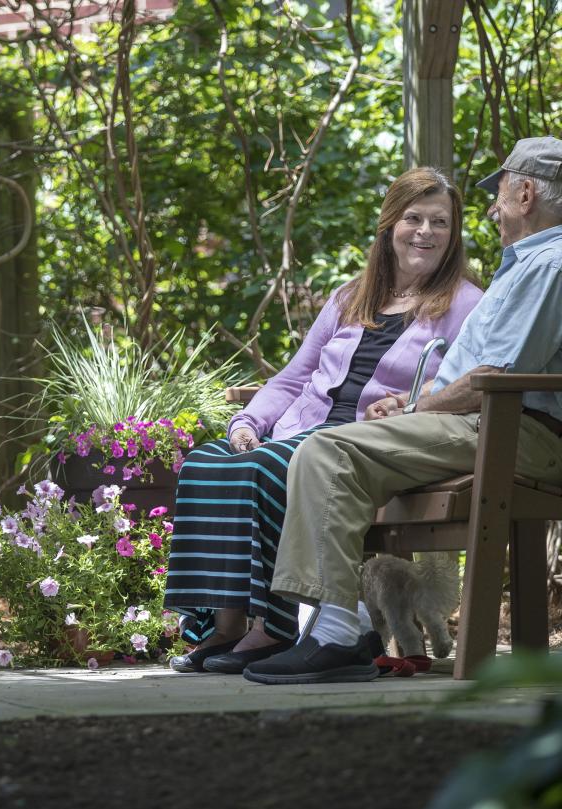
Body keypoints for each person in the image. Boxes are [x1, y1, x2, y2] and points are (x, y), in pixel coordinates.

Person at [243, 136, 562, 685]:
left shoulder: (550, 264)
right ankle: (335, 625)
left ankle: (336, 630)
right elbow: (477, 370)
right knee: (334, 452)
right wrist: (410, 404)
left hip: (517, 431)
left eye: (501, 194)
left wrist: (419, 405)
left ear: (527, 192)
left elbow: (498, 377)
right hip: (481, 423)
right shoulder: (528, 265)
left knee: (328, 450)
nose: (493, 207)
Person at [164, 166, 483, 674]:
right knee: (206, 462)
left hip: (361, 439)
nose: (426, 232)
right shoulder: (350, 297)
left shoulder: (465, 303)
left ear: (454, 234)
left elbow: (459, 380)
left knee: (265, 469)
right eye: (414, 219)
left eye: (440, 222)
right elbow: (294, 378)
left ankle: (272, 627)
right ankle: (224, 628)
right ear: (389, 226)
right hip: (299, 428)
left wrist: (407, 399)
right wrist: (248, 423)